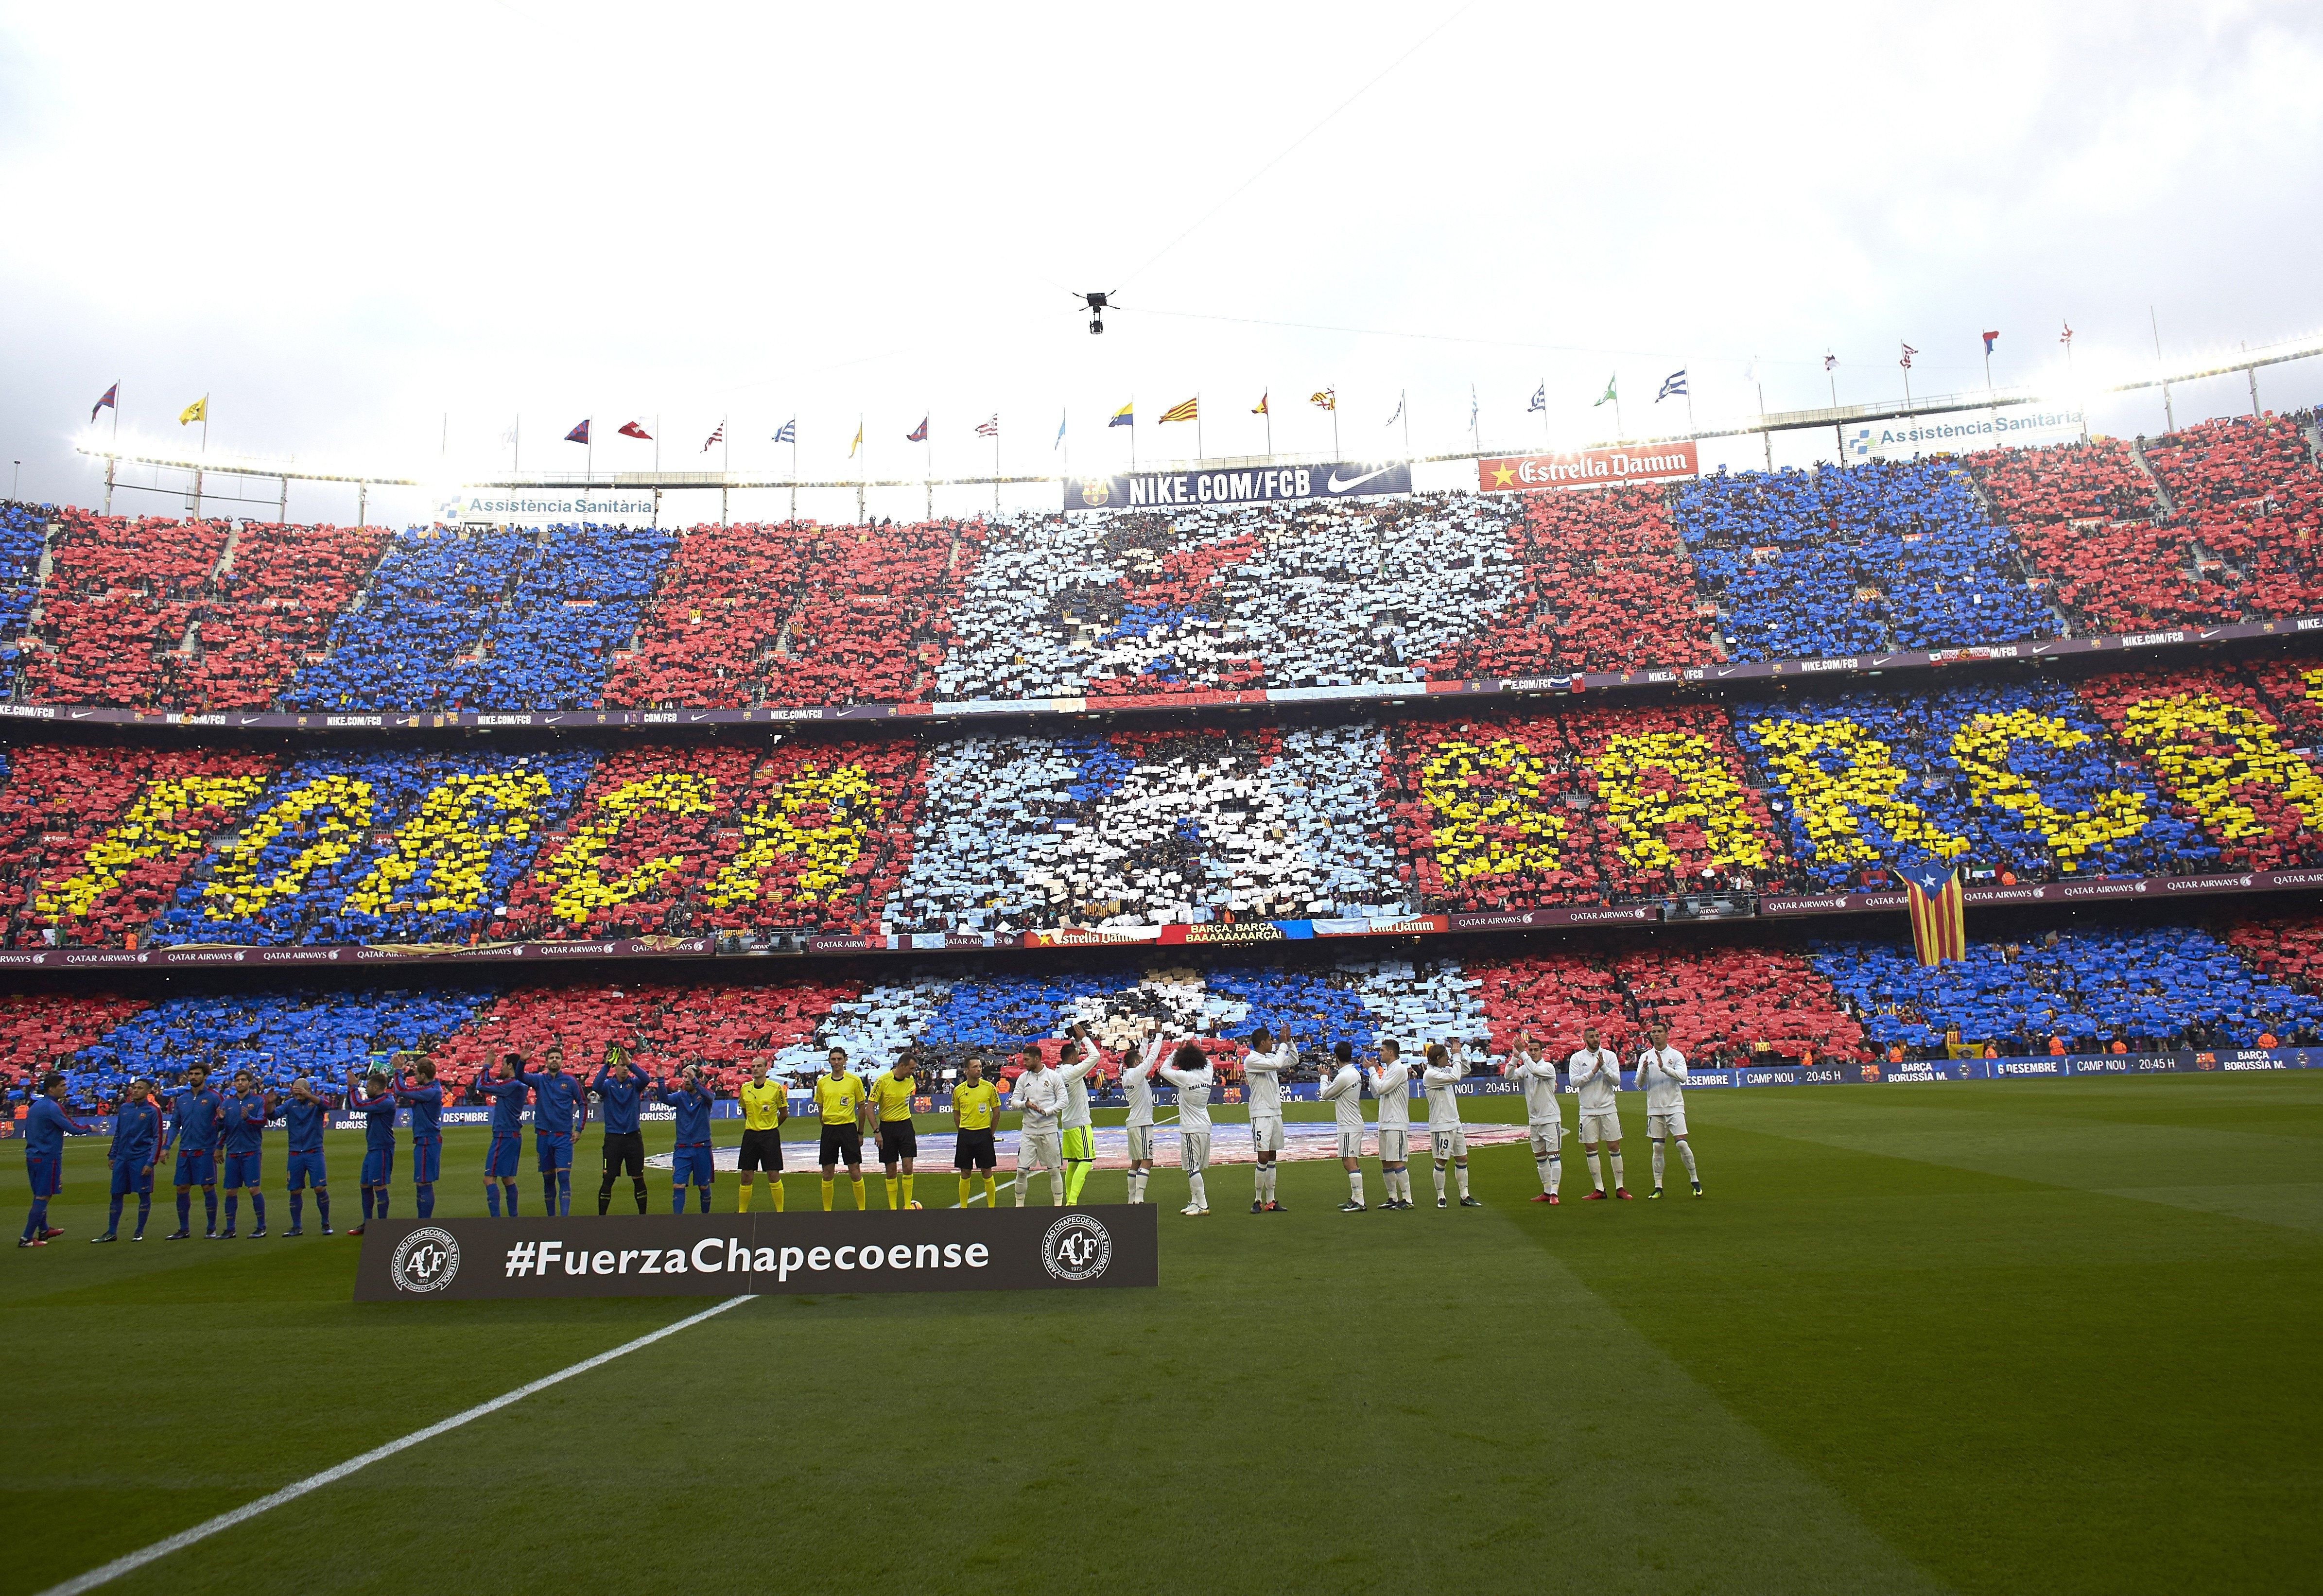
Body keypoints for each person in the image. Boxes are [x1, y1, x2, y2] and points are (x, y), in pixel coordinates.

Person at [20, 1072, 90, 1247]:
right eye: (62, 1086)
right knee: (44, 1196)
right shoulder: (53, 1107)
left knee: (39, 1194)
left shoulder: (35, 1106)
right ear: (51, 1089)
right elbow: (71, 1128)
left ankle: (44, 1230)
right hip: (47, 1157)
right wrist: (89, 1128)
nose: (66, 1088)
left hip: (33, 1156)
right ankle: (26, 1238)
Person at [519, 1048, 588, 1218]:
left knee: (564, 1178)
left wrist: (579, 1129)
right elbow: (520, 1076)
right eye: (551, 1058)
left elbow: (583, 1104)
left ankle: (564, 1219)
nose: (554, 1060)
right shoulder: (539, 1080)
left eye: (557, 1058)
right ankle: (551, 1219)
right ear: (546, 1061)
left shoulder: (570, 1082)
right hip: (543, 1137)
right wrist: (522, 1061)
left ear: (562, 1061)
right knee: (548, 1180)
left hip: (563, 1137)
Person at [1637, 1023, 1702, 1199]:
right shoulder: (1645, 1056)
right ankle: (1658, 1187)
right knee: (1657, 1147)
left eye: (1659, 1032)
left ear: (1667, 1034)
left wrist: (1663, 1067)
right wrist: (1643, 1070)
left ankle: (1695, 1181)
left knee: (1681, 1144)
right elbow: (1639, 1084)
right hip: (1655, 1108)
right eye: (1653, 1032)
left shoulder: (1676, 1055)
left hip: (1675, 1106)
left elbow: (1683, 1077)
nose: (1656, 1035)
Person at [161, 1063, 225, 1240]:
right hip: (185, 1150)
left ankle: (211, 1228)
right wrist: (166, 1147)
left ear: (205, 1076)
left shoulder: (214, 1097)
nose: (193, 1077)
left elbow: (224, 1124)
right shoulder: (182, 1099)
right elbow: (175, 1124)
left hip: (205, 1149)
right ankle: (184, 1229)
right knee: (182, 1188)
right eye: (191, 1074)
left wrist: (219, 1145)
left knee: (207, 1186)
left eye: (197, 1074)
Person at [97, 1076, 161, 1243]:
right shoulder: (125, 1108)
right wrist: (112, 1155)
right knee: (116, 1194)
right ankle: (111, 1232)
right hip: (122, 1158)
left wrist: (151, 1162)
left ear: (148, 1092)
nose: (136, 1090)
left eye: (140, 1088)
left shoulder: (153, 1111)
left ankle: (139, 1231)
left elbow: (157, 1138)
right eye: (134, 1087)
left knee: (143, 1194)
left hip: (141, 1158)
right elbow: (119, 1133)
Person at [1155, 1041, 1214, 1216]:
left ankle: (1203, 1205)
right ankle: (1195, 1202)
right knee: (1195, 1167)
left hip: (1190, 1128)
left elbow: (1163, 1070)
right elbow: (1208, 1061)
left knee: (1192, 1167)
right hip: (1205, 1125)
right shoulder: (1208, 1072)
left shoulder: (1184, 1077)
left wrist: (1175, 1052)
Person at [590, 1046, 652, 1215]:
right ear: (615, 1068)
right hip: (613, 1139)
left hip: (633, 1138)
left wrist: (631, 1063)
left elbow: (646, 1078)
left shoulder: (634, 1084)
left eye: (626, 1066)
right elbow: (595, 1086)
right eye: (622, 1065)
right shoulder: (608, 1085)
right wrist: (606, 1065)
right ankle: (602, 1218)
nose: (625, 1068)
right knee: (608, 1179)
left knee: (638, 1178)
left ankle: (643, 1217)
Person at [1570, 1025, 1630, 1200]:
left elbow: (1617, 1081)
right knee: (1591, 1148)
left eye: (1597, 1036)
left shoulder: (1609, 1056)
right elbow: (1574, 1082)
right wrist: (1593, 1071)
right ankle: (1599, 1189)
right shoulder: (1577, 1058)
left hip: (1608, 1108)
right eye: (1592, 1036)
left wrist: (1603, 1068)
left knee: (1614, 1146)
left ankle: (1620, 1187)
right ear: (1585, 1039)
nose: (1595, 1039)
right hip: (1587, 1110)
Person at [1508, 1028, 1564, 1204]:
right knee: (1540, 1158)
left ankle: (1554, 1193)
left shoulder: (1548, 1067)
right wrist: (1515, 1057)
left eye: (1535, 1050)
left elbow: (1535, 1071)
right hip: (1534, 1120)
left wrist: (1523, 1055)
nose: (1532, 1053)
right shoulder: (1525, 1067)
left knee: (1554, 1156)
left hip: (1550, 1118)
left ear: (1541, 1051)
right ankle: (1547, 1191)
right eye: (1530, 1050)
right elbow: (1509, 1076)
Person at [1421, 1043, 1481, 1209]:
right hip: (1441, 1124)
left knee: (1462, 1158)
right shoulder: (1430, 1075)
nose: (1448, 1058)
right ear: (1438, 1058)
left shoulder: (1442, 1071)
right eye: (1446, 1056)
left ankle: (1465, 1195)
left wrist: (1459, 1054)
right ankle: (1441, 1196)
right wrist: (1455, 1057)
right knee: (1441, 1161)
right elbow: (1456, 1077)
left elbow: (1465, 1070)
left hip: (1455, 1122)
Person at [1241, 1026, 1293, 1213]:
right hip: (1260, 1113)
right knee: (1262, 1156)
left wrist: (1289, 1041)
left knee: (1272, 1156)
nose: (1273, 1043)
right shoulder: (1252, 1059)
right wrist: (1283, 1044)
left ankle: (1271, 1201)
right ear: (1262, 1043)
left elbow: (1292, 1060)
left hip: (1275, 1112)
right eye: (1271, 1040)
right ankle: (1257, 1199)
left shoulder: (1268, 1058)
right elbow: (1279, 1063)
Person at [813, 1046, 869, 1211]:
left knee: (855, 1171)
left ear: (845, 1060)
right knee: (828, 1173)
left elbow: (861, 1107)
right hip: (830, 1130)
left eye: (839, 1059)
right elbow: (821, 1108)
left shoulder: (854, 1081)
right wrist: (826, 1125)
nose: (836, 1062)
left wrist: (860, 1132)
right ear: (829, 1061)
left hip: (848, 1129)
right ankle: (827, 1211)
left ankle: (862, 1209)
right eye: (833, 1059)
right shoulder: (822, 1082)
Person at [655, 1065, 717, 1213]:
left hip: (702, 1148)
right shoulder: (680, 1097)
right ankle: (678, 1222)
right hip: (682, 1149)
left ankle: (705, 1217)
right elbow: (664, 1099)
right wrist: (660, 1080)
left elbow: (710, 1097)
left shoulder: (706, 1096)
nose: (687, 1080)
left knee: (703, 1186)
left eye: (690, 1076)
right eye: (685, 1077)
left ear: (699, 1079)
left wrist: (695, 1081)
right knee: (678, 1185)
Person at [1011, 1044, 1067, 1207]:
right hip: (1028, 1131)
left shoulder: (1053, 1077)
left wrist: (1047, 1111)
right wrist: (1025, 1105)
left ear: (1037, 1059)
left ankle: (1058, 1206)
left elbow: (1064, 1100)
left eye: (1027, 1060)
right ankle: (1019, 1206)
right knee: (1021, 1171)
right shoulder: (1023, 1078)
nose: (1024, 1063)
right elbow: (1013, 1102)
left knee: (1054, 1170)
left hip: (1048, 1130)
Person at [217, 1068, 271, 1238]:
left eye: (243, 1080)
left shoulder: (258, 1100)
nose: (240, 1083)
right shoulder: (227, 1103)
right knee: (230, 1192)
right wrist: (219, 1143)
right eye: (237, 1080)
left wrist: (249, 1118)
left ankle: (261, 1227)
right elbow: (222, 1128)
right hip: (233, 1152)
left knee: (253, 1189)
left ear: (250, 1083)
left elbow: (263, 1121)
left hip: (251, 1151)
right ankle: (230, 1229)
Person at [346, 1066, 399, 1235]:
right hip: (373, 1148)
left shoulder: (385, 1102)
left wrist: (354, 1086)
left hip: (382, 1148)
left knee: (379, 1185)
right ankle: (367, 1223)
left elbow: (357, 1106)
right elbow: (357, 1104)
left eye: (368, 1087)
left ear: (376, 1088)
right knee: (365, 1184)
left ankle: (382, 1225)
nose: (367, 1089)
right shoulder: (378, 1101)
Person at [476, 1052, 530, 1217]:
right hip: (512, 1135)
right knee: (507, 1178)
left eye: (503, 1064)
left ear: (510, 1066)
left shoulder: (512, 1085)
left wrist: (487, 1065)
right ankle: (513, 1218)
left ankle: (497, 1221)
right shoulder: (516, 1085)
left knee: (489, 1179)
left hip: (503, 1135)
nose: (500, 1067)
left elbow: (481, 1085)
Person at [1056, 1026, 1106, 1205]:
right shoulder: (1072, 1073)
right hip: (1080, 1124)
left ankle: (1069, 1199)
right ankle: (1072, 1201)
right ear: (1072, 1058)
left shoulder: (1059, 1072)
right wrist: (1085, 1038)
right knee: (1086, 1161)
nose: (1079, 1057)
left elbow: (1073, 1055)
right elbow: (1095, 1057)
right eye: (1076, 1056)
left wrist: (1076, 1042)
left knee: (1073, 1162)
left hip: (1068, 1122)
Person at [277, 1076, 331, 1236]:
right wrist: (270, 1104)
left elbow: (327, 1106)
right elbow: (273, 1115)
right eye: (295, 1090)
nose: (298, 1094)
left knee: (319, 1187)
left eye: (301, 1090)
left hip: (314, 1152)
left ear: (308, 1090)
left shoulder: (316, 1102)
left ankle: (326, 1223)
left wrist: (308, 1096)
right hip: (295, 1153)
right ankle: (296, 1226)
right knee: (295, 1190)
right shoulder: (290, 1104)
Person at [392, 1055, 444, 1219]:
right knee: (423, 1181)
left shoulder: (430, 1091)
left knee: (423, 1182)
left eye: (416, 1074)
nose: (414, 1077)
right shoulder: (431, 1089)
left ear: (423, 1075)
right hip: (427, 1139)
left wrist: (398, 1071)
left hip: (427, 1140)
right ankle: (423, 1219)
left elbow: (400, 1090)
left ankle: (423, 1222)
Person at [735, 1057, 788, 1213]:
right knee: (746, 1175)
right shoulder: (745, 1088)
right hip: (751, 1135)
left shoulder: (776, 1088)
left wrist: (771, 1127)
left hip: (770, 1136)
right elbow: (745, 1110)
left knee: (773, 1174)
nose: (756, 1069)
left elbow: (784, 1113)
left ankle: (780, 1211)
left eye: (759, 1066)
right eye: (753, 1066)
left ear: (766, 1069)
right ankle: (742, 1212)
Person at [1319, 1040, 1367, 1212]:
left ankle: (1360, 1201)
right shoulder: (1354, 1073)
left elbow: (1325, 1095)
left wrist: (1324, 1077)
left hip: (1348, 1125)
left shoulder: (1344, 1076)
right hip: (1354, 1122)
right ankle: (1356, 1198)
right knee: (1353, 1161)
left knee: (1348, 1162)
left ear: (1337, 1057)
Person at [869, 1052, 920, 1209]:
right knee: (891, 1170)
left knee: (908, 1166)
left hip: (905, 1126)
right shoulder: (883, 1081)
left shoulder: (910, 1081)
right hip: (887, 1127)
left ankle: (907, 1206)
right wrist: (877, 1131)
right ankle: (893, 1208)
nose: (913, 1072)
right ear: (901, 1066)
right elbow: (870, 1108)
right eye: (911, 1068)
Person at [1369, 1039, 1413, 1211]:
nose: (1380, 1054)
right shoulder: (1388, 1071)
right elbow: (1375, 1093)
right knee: (1386, 1162)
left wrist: (1372, 1070)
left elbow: (1380, 1089)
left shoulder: (1399, 1070)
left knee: (1397, 1161)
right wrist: (1374, 1073)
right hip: (1386, 1121)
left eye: (1382, 1051)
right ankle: (1393, 1197)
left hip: (1396, 1122)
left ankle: (1408, 1199)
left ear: (1391, 1053)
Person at [950, 1054, 1000, 1207]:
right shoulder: (958, 1091)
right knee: (965, 1173)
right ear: (967, 1070)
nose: (979, 1070)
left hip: (984, 1134)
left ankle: (991, 1207)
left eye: (980, 1067)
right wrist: (962, 1131)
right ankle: (964, 1207)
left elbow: (997, 1112)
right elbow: (956, 1113)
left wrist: (990, 1133)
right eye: (975, 1067)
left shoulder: (989, 1087)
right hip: (966, 1135)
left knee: (987, 1172)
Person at [1119, 1030, 1162, 1204]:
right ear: (1136, 1063)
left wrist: (1145, 1040)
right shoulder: (1137, 1075)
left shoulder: (1127, 1075)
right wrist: (1159, 1036)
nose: (1143, 1061)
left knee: (1135, 1162)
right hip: (1143, 1123)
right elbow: (1150, 1059)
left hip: (1133, 1123)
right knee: (1147, 1161)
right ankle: (1139, 1199)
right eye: (1140, 1061)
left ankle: (1132, 1199)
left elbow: (1141, 1058)